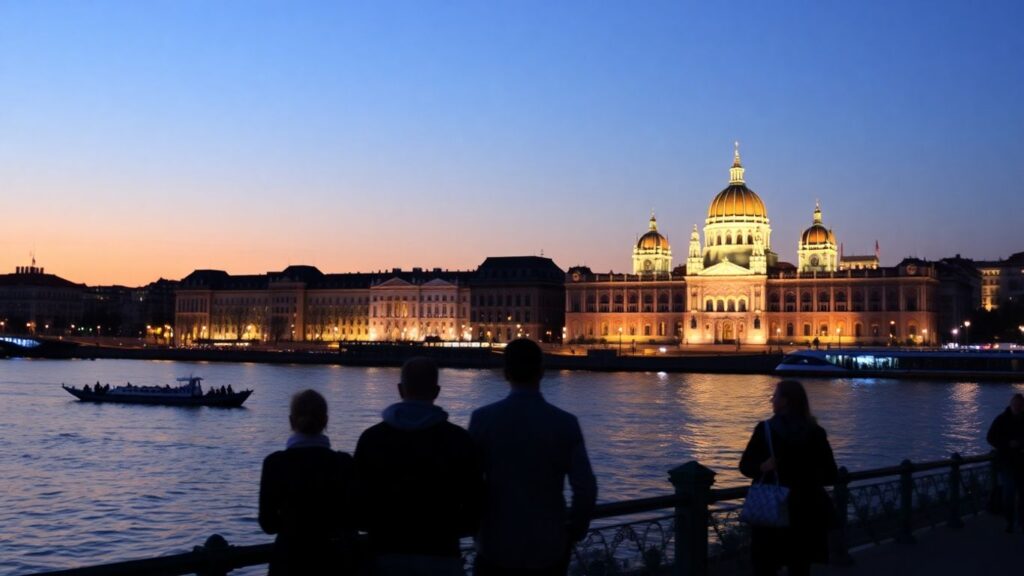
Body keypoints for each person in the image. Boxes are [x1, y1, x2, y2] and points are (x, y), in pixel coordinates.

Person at [469, 338, 597, 576]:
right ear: (542, 371)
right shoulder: (565, 423)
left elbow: (468, 482)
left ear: (506, 373)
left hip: (496, 544)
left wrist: (477, 529)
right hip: (548, 547)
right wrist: (573, 532)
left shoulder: (482, 419)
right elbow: (585, 488)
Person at [354, 357, 482, 576]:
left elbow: (356, 505)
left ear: (400, 389)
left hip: (384, 553)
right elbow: (475, 504)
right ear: (437, 391)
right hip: (442, 554)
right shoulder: (458, 440)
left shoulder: (371, 439)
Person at [740, 380, 838, 576]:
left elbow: (745, 466)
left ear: (785, 401)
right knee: (800, 566)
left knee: (765, 566)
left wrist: (763, 467)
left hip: (772, 508)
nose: (772, 401)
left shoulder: (765, 430)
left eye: (774, 396)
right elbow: (831, 474)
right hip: (807, 509)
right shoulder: (816, 433)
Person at [259, 389, 356, 575]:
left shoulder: (275, 463)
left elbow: (268, 524)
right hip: (333, 560)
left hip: (289, 560)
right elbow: (355, 516)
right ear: (325, 421)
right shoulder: (343, 463)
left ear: (291, 421)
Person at [987, 393, 1024, 532]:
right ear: (1011, 405)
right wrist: (1008, 444)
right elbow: (990, 438)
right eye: (1016, 405)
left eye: (1020, 405)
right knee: (1009, 492)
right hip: (1007, 462)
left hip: (1019, 462)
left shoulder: (1003, 419)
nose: (1018, 407)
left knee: (1021, 493)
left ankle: (1019, 521)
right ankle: (1010, 520)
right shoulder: (1001, 420)